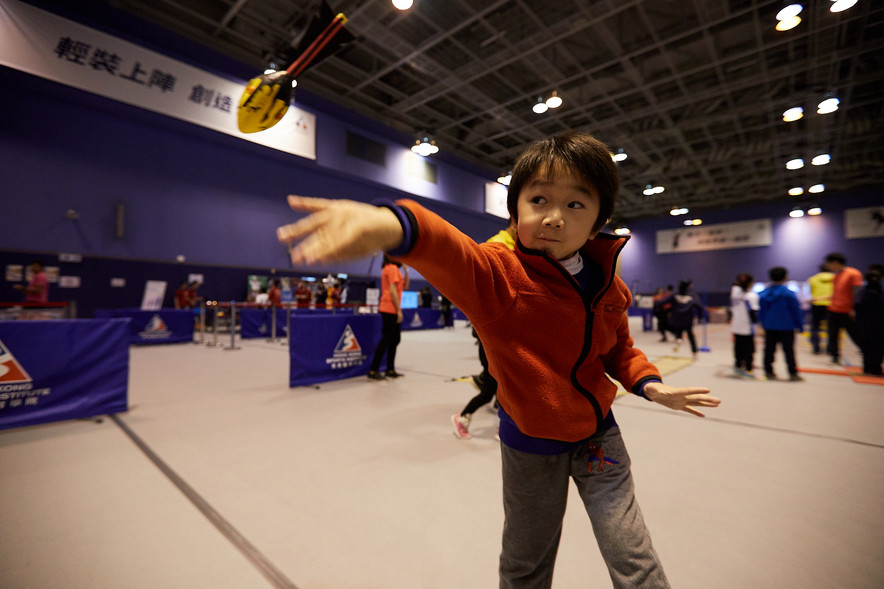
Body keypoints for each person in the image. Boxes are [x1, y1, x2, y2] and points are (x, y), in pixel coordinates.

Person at [277, 131, 720, 588]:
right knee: (526, 563)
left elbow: (619, 348)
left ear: (598, 221)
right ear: (515, 212)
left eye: (574, 205)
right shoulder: (499, 277)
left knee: (635, 561)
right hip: (530, 445)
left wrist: (649, 384)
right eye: (539, 199)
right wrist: (394, 225)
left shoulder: (609, 284)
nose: (552, 217)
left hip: (598, 437)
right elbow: (453, 252)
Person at [452, 217, 518, 439]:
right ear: (516, 222)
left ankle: (499, 420)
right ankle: (464, 417)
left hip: (507, 333)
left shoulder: (520, 247)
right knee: (495, 387)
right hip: (491, 334)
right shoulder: (497, 245)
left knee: (503, 386)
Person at [367, 255, 409, 380]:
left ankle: (390, 369)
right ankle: (373, 370)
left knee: (394, 340)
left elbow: (405, 287)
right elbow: (392, 291)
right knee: (386, 339)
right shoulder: (391, 269)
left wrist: (406, 271)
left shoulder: (394, 270)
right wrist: (399, 311)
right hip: (390, 309)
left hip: (391, 309)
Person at [758, 267, 804, 381]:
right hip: (786, 326)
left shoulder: (763, 294)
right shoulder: (789, 294)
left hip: (769, 326)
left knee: (769, 350)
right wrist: (800, 325)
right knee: (789, 350)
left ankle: (768, 371)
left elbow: (761, 312)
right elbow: (795, 311)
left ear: (770, 277)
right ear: (785, 277)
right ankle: (792, 373)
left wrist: (761, 325)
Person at [824, 252, 864, 365]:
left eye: (829, 264)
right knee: (832, 335)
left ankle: (868, 352)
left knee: (856, 335)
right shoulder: (835, 276)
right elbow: (836, 293)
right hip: (833, 310)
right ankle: (834, 357)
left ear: (836, 263)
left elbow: (857, 293)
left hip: (847, 311)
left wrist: (854, 309)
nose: (828, 266)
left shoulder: (853, 274)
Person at [854, 264, 884, 375]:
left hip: (867, 324)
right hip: (877, 324)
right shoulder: (878, 292)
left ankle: (869, 368)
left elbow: (857, 306)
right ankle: (874, 368)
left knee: (868, 346)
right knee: (876, 347)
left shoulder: (863, 292)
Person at [664, 279, 704, 358]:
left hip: (677, 318)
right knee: (690, 335)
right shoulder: (692, 295)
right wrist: (700, 316)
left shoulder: (675, 294)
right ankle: (694, 352)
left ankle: (679, 338)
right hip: (688, 319)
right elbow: (699, 306)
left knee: (678, 331)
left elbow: (665, 301)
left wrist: (655, 304)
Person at [730, 273, 759, 378]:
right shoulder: (751, 296)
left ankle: (738, 366)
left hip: (736, 326)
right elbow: (753, 313)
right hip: (747, 328)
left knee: (738, 348)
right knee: (749, 350)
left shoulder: (734, 293)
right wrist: (759, 326)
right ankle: (748, 369)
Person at [807, 264, 834, 354]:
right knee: (831, 327)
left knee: (815, 327)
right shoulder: (835, 278)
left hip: (816, 304)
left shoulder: (812, 279)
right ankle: (830, 348)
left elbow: (811, 292)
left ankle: (816, 348)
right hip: (831, 305)